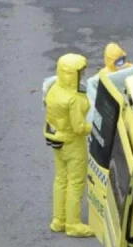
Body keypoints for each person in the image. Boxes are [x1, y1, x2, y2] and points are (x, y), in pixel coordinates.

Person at [43, 53, 96, 237]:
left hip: (57, 140)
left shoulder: (53, 89)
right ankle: (73, 224)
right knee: (76, 182)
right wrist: (93, 127)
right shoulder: (74, 99)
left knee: (60, 179)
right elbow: (79, 127)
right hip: (73, 144)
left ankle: (59, 220)